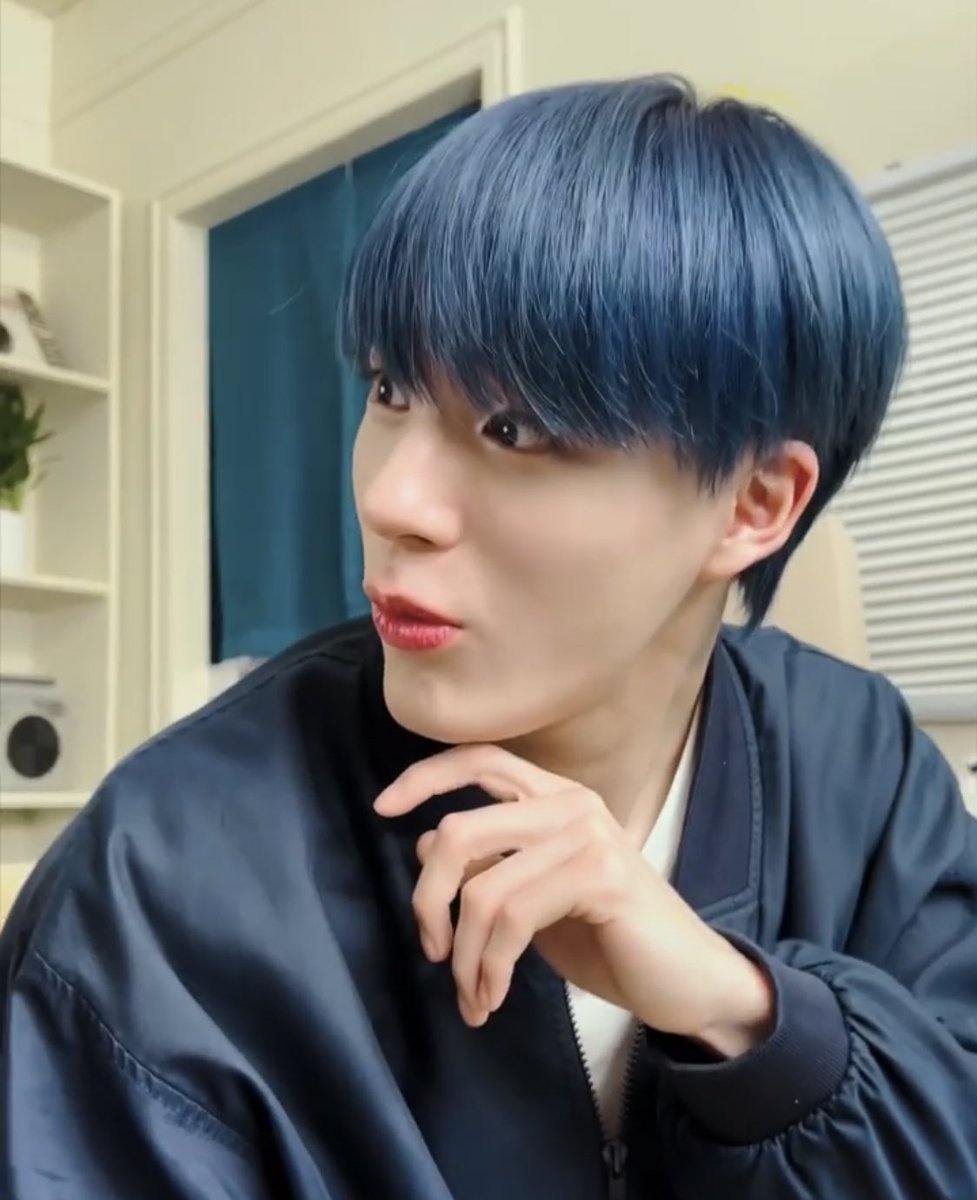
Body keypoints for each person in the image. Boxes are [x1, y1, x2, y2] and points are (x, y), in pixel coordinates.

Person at [2, 76, 975, 1200]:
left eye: (514, 426)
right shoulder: (166, 876)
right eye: (389, 389)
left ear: (753, 504)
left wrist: (745, 1015)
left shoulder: (861, 763)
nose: (391, 500)